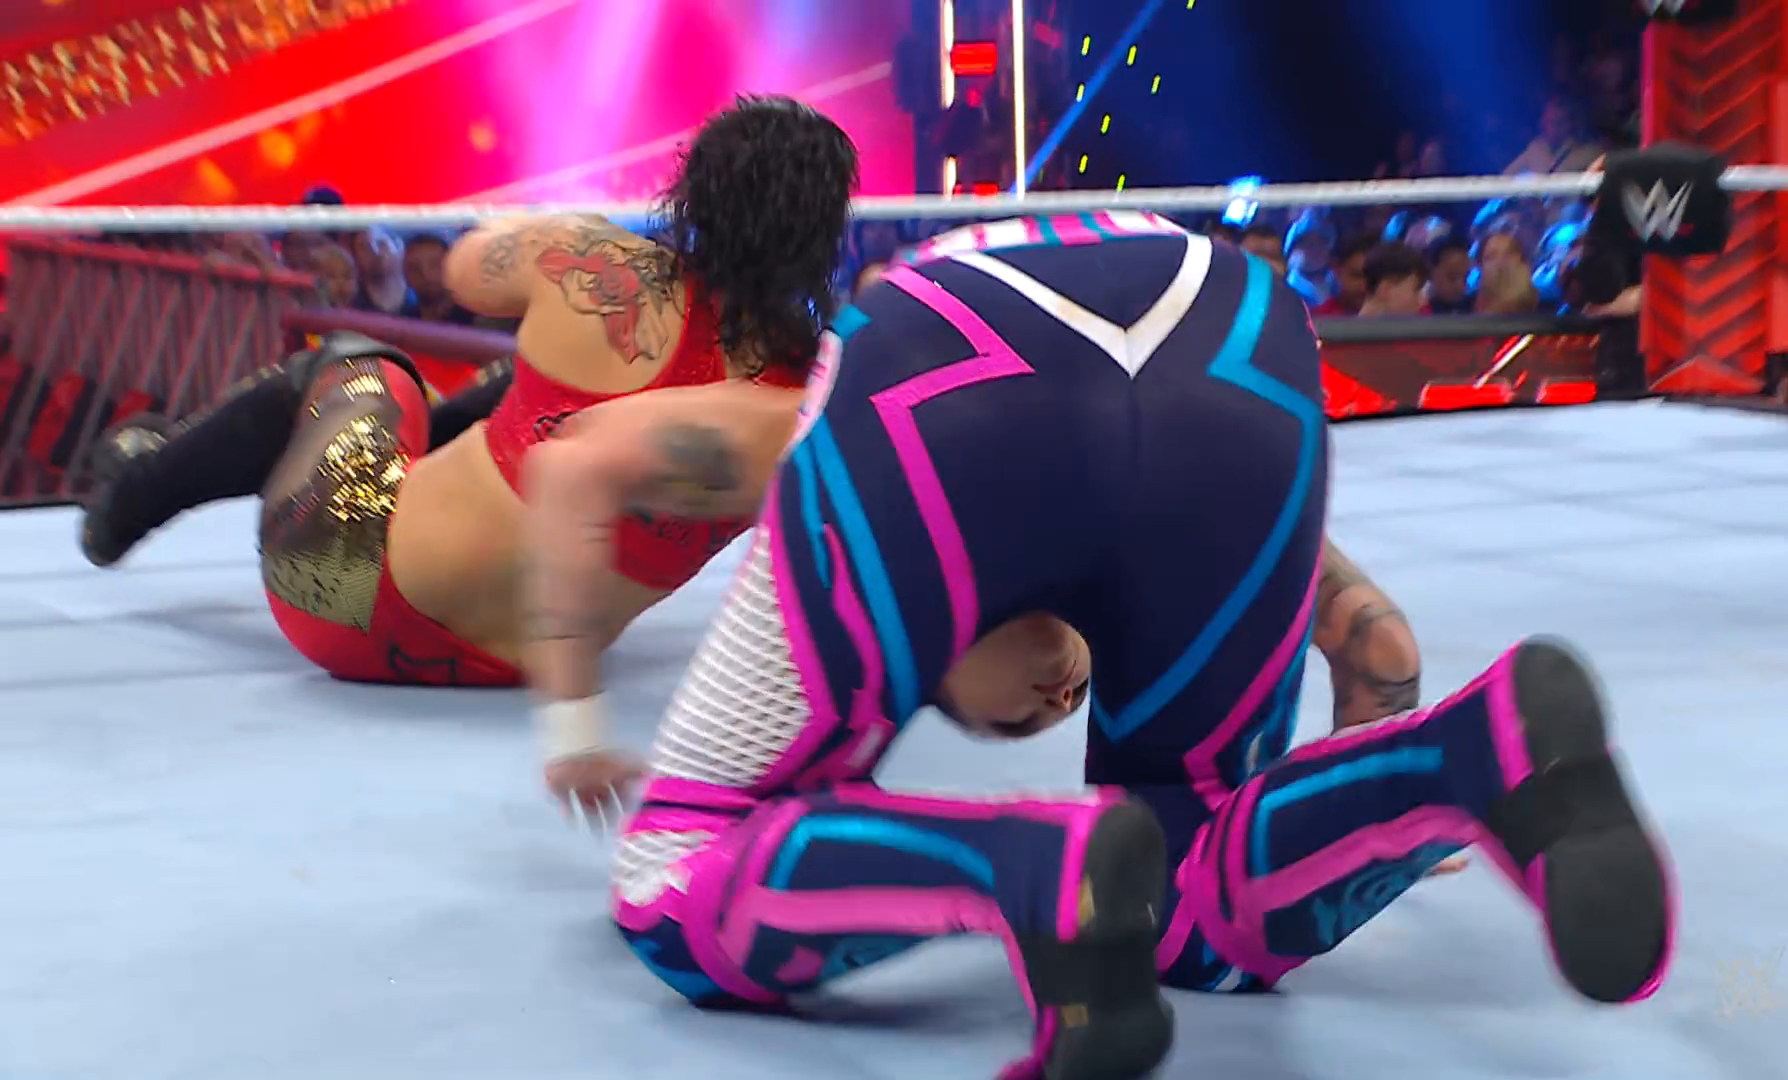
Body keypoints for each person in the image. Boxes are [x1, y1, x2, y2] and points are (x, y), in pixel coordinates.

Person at [517, 212, 1675, 1077]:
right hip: (1236, 338)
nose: (1050, 703)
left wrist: (573, 722)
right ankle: (1485, 751)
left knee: (671, 875)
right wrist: (1394, 789)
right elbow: (1378, 646)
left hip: (950, 358)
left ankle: (1026, 869)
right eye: (1048, 708)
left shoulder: (803, 430)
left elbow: (572, 463)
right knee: (1193, 885)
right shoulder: (824, 452)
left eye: (1036, 707)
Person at [76, 96, 859, 687]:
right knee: (511, 391)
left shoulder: (596, 265)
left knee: (356, 364)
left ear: (693, 193)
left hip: (338, 594)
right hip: (514, 668)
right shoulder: (808, 394)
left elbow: (464, 271)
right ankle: (394, 446)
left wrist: (564, 235)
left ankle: (126, 502)